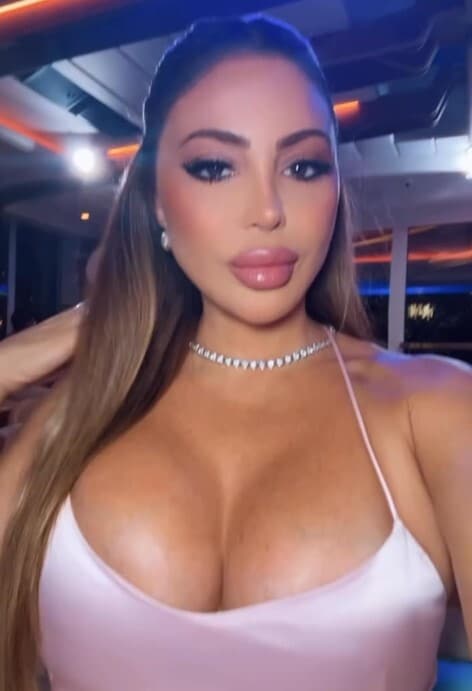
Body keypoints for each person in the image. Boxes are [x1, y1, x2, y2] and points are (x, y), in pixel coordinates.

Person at [0, 14, 471, 691]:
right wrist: (52, 339)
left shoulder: (437, 412)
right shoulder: (77, 419)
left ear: (336, 188)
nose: (268, 209)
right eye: (215, 167)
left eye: (303, 166)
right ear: (155, 201)